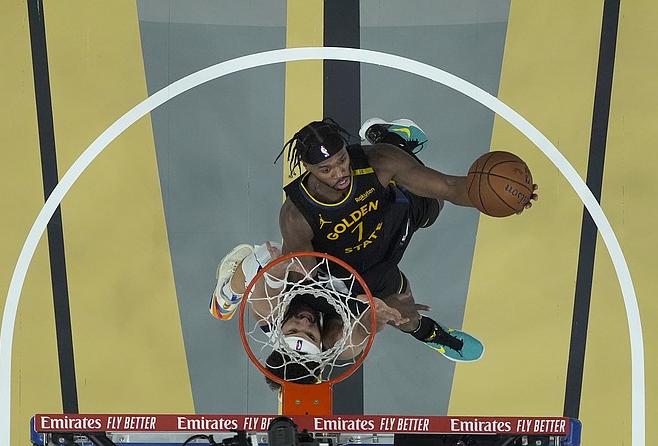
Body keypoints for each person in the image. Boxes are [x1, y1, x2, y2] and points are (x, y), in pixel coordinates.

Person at [275, 117, 538, 362]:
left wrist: (502, 200)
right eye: (326, 169)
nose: (339, 173)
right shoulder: (296, 216)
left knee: (435, 202)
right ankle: (430, 333)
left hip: (387, 218)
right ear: (308, 169)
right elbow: (309, 276)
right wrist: (366, 305)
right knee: (402, 310)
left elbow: (450, 186)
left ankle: (392, 141)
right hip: (351, 269)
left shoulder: (377, 161)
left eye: (342, 159)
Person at [209, 241, 406, 388]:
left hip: (293, 287)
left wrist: (277, 270)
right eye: (310, 335)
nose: (304, 322)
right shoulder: (340, 344)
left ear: (280, 335)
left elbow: (268, 284)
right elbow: (363, 330)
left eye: (293, 330)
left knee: (265, 259)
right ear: (320, 346)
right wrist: (376, 318)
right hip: (334, 289)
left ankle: (225, 297)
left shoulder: (266, 313)